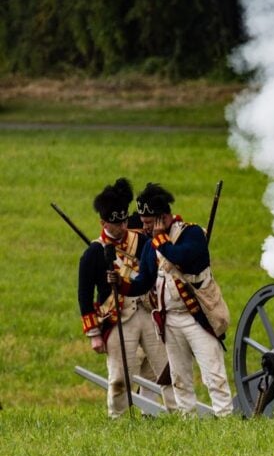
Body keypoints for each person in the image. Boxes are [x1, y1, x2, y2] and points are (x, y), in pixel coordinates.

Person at [110, 183, 233, 416]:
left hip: (197, 316)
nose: (145, 229)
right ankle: (187, 420)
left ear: (163, 217)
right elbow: (144, 282)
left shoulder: (191, 234)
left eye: (149, 223)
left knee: (213, 375)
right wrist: (121, 285)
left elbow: (181, 258)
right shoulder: (152, 244)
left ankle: (225, 417)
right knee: (179, 378)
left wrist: (160, 240)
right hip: (170, 320)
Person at [78, 178, 175, 417]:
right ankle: (117, 418)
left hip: (147, 312)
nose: (121, 226)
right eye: (115, 222)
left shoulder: (140, 240)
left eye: (123, 220)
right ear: (103, 222)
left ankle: (175, 413)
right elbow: (84, 294)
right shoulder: (93, 253)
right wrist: (94, 335)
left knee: (165, 369)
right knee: (120, 377)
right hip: (118, 318)